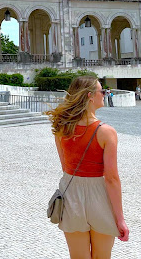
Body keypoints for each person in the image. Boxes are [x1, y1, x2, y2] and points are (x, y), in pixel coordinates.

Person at [48, 76, 129, 258]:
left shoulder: (62, 128)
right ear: (90, 96)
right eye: (102, 91)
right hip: (99, 193)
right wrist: (121, 219)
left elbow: (65, 166)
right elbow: (111, 178)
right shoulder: (106, 132)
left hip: (71, 192)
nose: (104, 94)